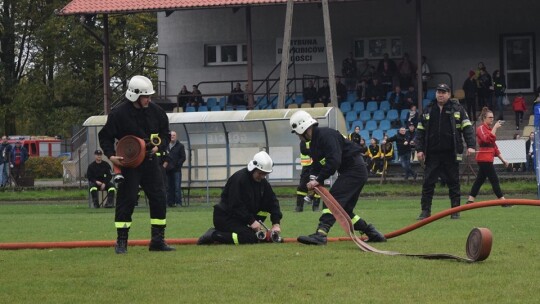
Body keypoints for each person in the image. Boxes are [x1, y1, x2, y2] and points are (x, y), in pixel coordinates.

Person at [98, 75, 174, 254]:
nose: (149, 99)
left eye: (149, 96)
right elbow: (105, 136)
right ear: (134, 96)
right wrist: (111, 156)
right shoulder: (119, 114)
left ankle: (157, 241)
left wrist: (159, 146)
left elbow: (165, 133)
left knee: (159, 198)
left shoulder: (157, 112)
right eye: (146, 96)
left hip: (150, 162)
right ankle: (121, 242)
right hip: (129, 165)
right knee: (127, 200)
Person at [289, 110, 386, 244]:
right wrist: (313, 180)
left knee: (331, 201)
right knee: (344, 209)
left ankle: (321, 234)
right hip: (353, 171)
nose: (298, 137)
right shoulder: (315, 142)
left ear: (302, 128)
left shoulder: (326, 135)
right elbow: (317, 165)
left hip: (354, 170)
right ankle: (371, 232)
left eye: (298, 134)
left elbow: (334, 161)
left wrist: (318, 180)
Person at [415, 83, 476, 220]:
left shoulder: (458, 109)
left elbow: (467, 129)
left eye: (443, 92)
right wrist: (419, 149)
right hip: (432, 154)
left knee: (453, 182)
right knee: (428, 183)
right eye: (438, 92)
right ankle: (425, 211)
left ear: (449, 94)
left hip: (451, 153)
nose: (440, 94)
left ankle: (455, 211)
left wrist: (471, 145)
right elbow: (420, 131)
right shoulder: (428, 109)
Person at [197, 151, 283, 245]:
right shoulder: (239, 179)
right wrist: (252, 221)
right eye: (260, 173)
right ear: (253, 168)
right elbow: (236, 204)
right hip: (225, 218)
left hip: (240, 219)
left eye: (265, 174)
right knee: (249, 238)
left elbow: (272, 201)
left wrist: (276, 223)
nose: (262, 177)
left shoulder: (263, 183)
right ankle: (213, 235)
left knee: (256, 237)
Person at [466, 107, 510, 207]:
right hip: (484, 158)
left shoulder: (489, 129)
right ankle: (502, 201)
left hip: (487, 158)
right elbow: (486, 140)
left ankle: (470, 199)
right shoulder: (481, 128)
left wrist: (503, 160)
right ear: (484, 118)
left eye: (493, 117)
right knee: (494, 179)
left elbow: (494, 147)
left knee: (480, 180)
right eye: (490, 117)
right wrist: (495, 128)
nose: (492, 119)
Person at [294, 141, 321, 212]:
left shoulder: (318, 139)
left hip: (317, 166)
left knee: (318, 186)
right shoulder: (303, 141)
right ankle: (299, 207)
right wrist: (314, 152)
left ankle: (316, 207)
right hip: (306, 167)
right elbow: (303, 151)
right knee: (302, 186)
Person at [164, 131, 186, 207]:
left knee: (177, 187)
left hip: (176, 170)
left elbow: (183, 157)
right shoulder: (165, 146)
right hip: (167, 170)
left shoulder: (180, 146)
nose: (172, 136)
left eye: (174, 135)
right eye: (171, 135)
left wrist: (177, 165)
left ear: (176, 136)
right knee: (168, 187)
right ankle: (169, 203)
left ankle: (178, 203)